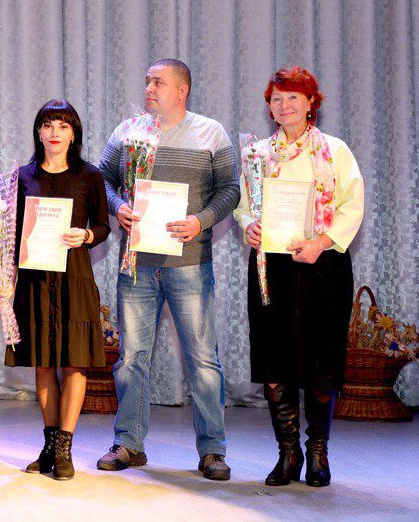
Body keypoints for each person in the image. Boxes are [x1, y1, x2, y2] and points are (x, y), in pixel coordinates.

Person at [97, 59, 239, 480]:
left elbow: (231, 189)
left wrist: (201, 220)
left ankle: (212, 450)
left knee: (203, 360)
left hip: (189, 264)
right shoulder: (128, 132)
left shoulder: (211, 133)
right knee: (131, 358)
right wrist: (117, 206)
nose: (149, 88)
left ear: (182, 90)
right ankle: (128, 443)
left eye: (158, 82)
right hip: (137, 265)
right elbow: (101, 179)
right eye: (147, 81)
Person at [234, 66, 363, 487]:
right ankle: (287, 453)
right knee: (275, 359)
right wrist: (249, 224)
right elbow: (244, 204)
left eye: (293, 97)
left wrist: (321, 242)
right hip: (271, 267)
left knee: (321, 361)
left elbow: (351, 206)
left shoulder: (335, 151)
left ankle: (318, 452)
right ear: (269, 107)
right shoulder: (257, 155)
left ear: (311, 103)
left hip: (322, 266)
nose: (284, 104)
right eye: (276, 98)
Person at [4, 99, 110, 481]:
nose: (55, 133)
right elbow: (10, 232)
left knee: (74, 363)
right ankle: (49, 445)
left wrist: (86, 235)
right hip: (34, 280)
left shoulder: (90, 176)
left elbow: (103, 226)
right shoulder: (20, 177)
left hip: (75, 278)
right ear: (38, 131)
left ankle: (65, 447)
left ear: (74, 134)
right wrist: (6, 279)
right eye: (48, 125)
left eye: (63, 126)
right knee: (44, 362)